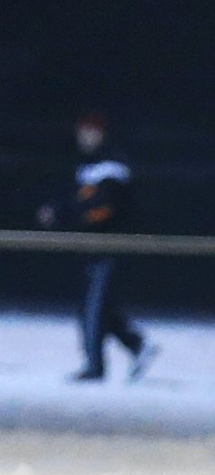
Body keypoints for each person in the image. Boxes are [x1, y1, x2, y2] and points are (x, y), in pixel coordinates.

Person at [37, 111, 158, 382]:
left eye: (90, 131)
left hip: (110, 247)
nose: (84, 136)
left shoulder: (112, 167)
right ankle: (137, 344)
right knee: (98, 305)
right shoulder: (88, 166)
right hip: (93, 247)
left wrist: (68, 216)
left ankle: (95, 366)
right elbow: (80, 204)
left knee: (93, 306)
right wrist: (60, 212)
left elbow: (102, 210)